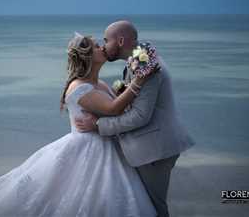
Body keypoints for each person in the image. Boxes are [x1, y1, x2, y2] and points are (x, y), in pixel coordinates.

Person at [0, 32, 158, 217]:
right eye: (97, 45)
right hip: (86, 149)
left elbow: (117, 109)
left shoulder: (99, 85)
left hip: (105, 148)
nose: (104, 46)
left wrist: (127, 86)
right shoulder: (79, 88)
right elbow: (114, 108)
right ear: (89, 57)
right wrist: (140, 81)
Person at [75, 20, 196, 217]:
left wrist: (98, 125)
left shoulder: (146, 67)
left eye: (106, 41)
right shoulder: (139, 61)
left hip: (155, 149)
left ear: (120, 41)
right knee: (145, 206)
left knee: (154, 208)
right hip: (150, 146)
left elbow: (140, 117)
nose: (104, 46)